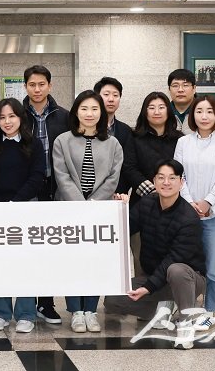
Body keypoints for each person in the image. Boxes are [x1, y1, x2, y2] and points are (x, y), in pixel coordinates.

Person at [104, 159, 207, 350]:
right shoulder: (147, 203)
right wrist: (120, 209)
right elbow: (124, 229)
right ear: (154, 181)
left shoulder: (188, 218)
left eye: (172, 178)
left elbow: (174, 259)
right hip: (156, 278)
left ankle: (186, 322)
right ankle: (165, 307)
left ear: (181, 182)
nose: (166, 182)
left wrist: (148, 288)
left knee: (176, 270)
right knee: (113, 301)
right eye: (161, 177)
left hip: (189, 279)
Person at [52, 90, 124, 334]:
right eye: (84, 109)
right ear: (76, 112)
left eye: (94, 109)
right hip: (68, 210)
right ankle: (76, 311)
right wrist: (80, 205)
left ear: (101, 113)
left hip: (99, 212)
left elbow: (113, 178)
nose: (89, 113)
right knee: (72, 262)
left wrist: (93, 204)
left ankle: (91, 311)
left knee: (95, 262)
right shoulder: (62, 141)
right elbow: (61, 175)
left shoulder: (113, 143)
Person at [0, 98, 45, 334]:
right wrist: (0, 205)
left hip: (26, 209)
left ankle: (26, 313)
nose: (7, 122)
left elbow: (37, 176)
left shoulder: (33, 144)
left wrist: (16, 203)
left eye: (12, 116)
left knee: (26, 263)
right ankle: (2, 313)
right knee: (0, 263)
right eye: (2, 117)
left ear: (20, 118)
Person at [173, 95, 215, 330]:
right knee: (182, 264)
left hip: (214, 214)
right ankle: (184, 309)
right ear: (193, 115)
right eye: (199, 111)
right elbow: (179, 175)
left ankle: (209, 311)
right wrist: (190, 202)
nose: (204, 116)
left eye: (209, 111)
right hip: (186, 214)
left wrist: (208, 202)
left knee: (213, 267)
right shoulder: (183, 142)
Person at [21, 65, 67, 325]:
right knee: (27, 248)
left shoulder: (64, 116)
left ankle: (46, 303)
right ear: (25, 87)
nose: (37, 89)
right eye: (32, 85)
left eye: (41, 84)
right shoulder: (17, 115)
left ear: (50, 85)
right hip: (27, 187)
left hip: (55, 187)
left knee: (50, 248)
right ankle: (27, 303)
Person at [129, 92, 183, 205]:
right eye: (152, 108)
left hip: (174, 200)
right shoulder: (134, 137)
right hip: (141, 201)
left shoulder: (180, 139)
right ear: (145, 112)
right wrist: (154, 192)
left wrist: (167, 193)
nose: (157, 112)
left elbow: (183, 171)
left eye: (161, 107)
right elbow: (130, 168)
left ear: (168, 111)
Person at [93, 77, 140, 195]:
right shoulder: (87, 127)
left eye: (115, 95)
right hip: (89, 192)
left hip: (116, 194)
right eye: (106, 94)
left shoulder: (125, 130)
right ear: (97, 97)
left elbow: (127, 165)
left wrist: (119, 191)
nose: (111, 99)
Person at [167, 69, 197, 135]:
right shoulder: (164, 112)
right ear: (169, 89)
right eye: (175, 86)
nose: (180, 90)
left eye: (185, 85)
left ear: (194, 89)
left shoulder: (206, 111)